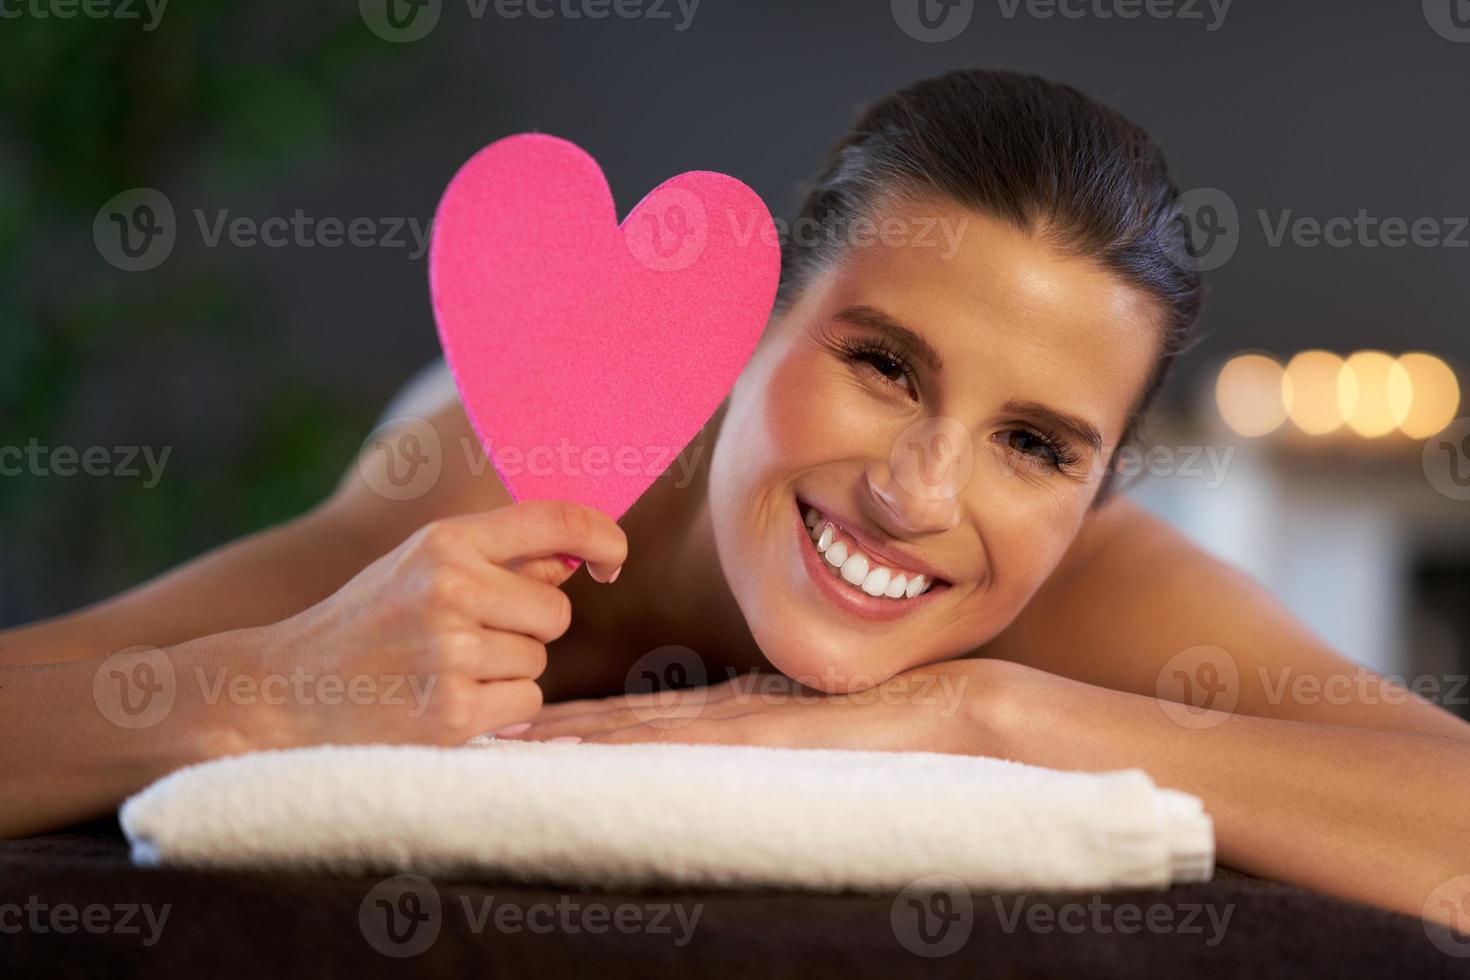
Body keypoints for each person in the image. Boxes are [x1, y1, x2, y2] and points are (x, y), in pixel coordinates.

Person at [4, 69, 1468, 927]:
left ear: (1101, 486)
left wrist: (997, 714)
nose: (915, 492)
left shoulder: (1096, 588)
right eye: (882, 365)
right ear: (752, 325)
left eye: (1037, 445)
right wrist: (268, 690)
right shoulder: (485, 479)